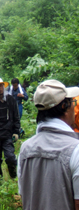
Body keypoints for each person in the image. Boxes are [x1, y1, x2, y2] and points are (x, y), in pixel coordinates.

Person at [18, 79, 79, 210]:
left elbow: (25, 197)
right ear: (65, 107)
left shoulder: (25, 149)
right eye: (73, 103)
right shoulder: (76, 150)